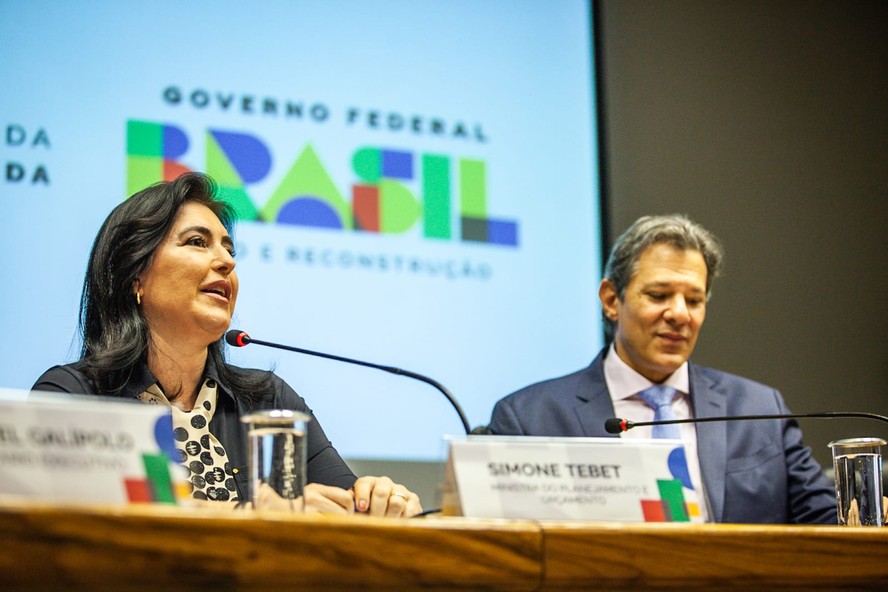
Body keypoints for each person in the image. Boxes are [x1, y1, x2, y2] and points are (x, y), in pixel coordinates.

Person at [33, 172, 421, 517]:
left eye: (229, 249)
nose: (226, 262)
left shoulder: (269, 401)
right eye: (198, 242)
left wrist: (377, 501)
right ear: (136, 277)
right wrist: (252, 514)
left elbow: (349, 509)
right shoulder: (73, 397)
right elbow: (64, 537)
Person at [488, 214, 837, 524]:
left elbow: (828, 519)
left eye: (694, 300)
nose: (680, 314)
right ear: (611, 300)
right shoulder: (530, 418)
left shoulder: (758, 410)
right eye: (659, 295)